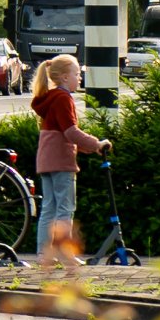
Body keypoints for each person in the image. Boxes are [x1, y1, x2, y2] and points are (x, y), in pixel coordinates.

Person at [30, 54, 110, 266]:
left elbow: (61, 133)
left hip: (46, 161)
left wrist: (88, 148)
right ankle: (65, 253)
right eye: (77, 74)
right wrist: (97, 144)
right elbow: (71, 132)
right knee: (65, 209)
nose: (80, 78)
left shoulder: (50, 98)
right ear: (65, 77)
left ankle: (43, 254)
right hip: (62, 162)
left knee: (48, 209)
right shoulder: (63, 98)